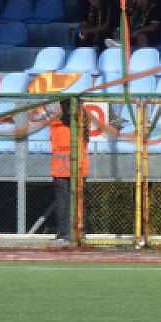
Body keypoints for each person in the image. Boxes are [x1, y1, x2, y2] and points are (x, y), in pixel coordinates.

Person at [49, 100, 89, 243]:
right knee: (79, 202)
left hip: (60, 169)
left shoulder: (55, 124)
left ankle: (64, 234)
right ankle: (80, 232)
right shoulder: (83, 125)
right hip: (79, 168)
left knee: (63, 202)